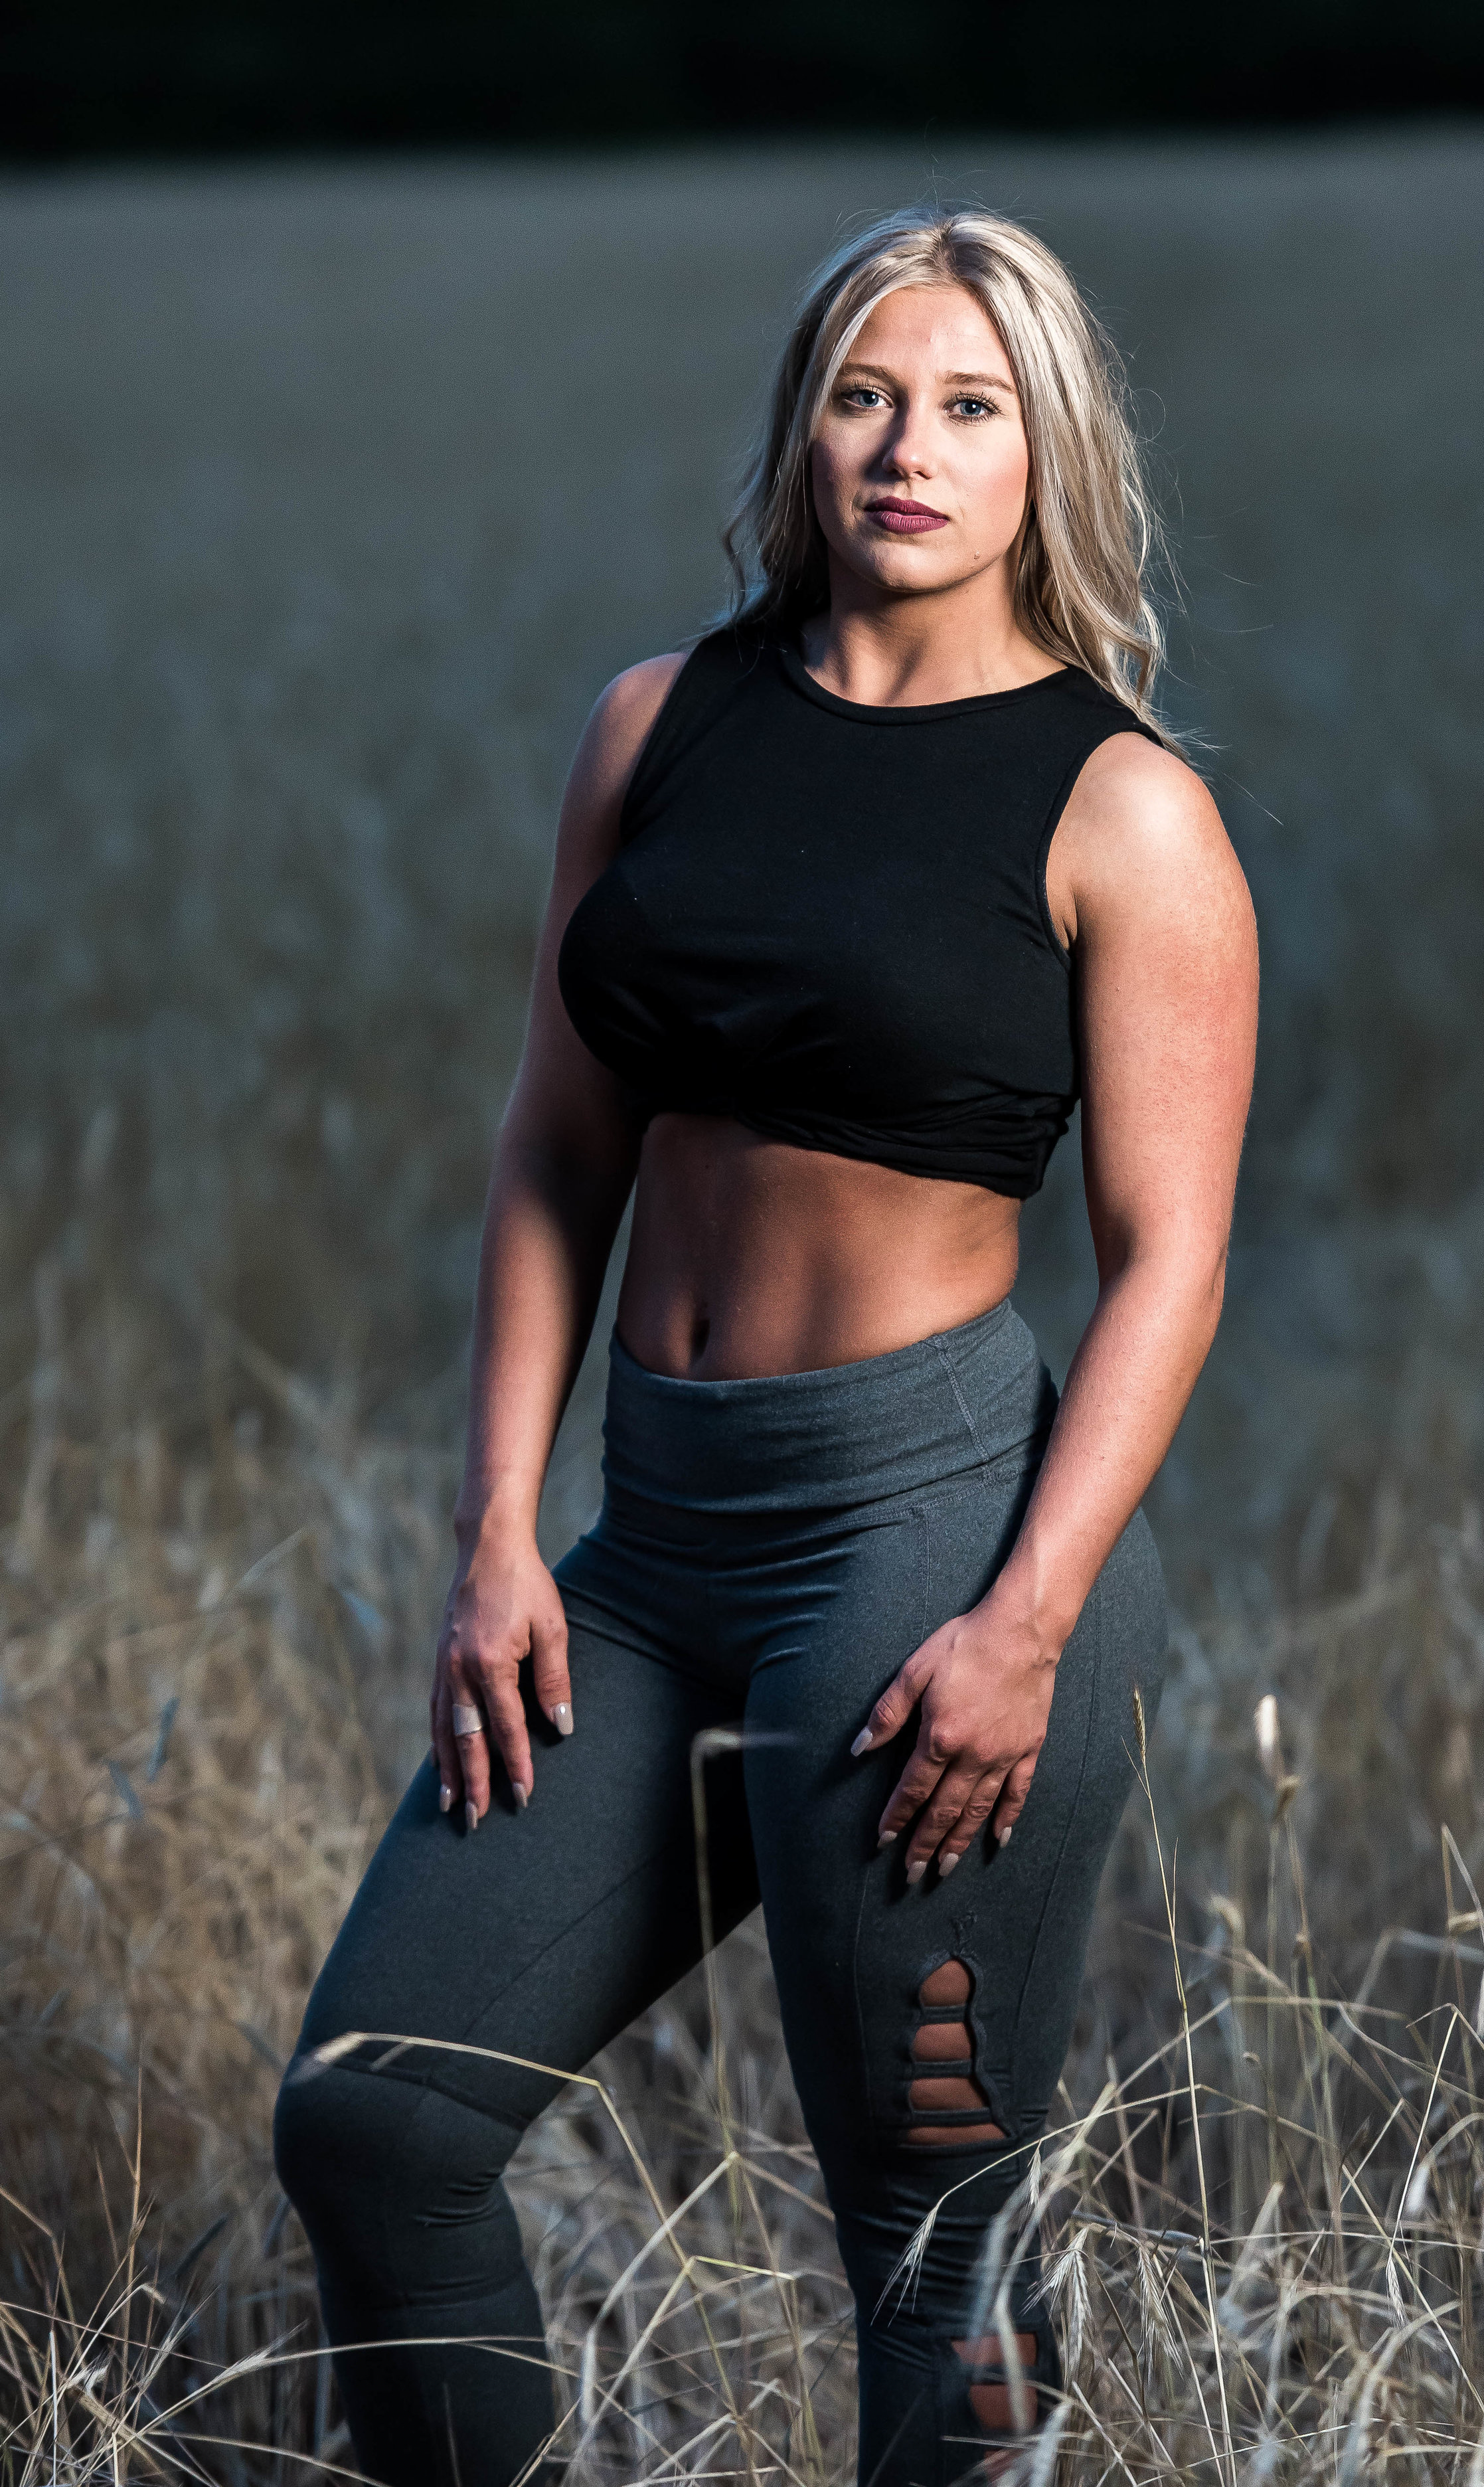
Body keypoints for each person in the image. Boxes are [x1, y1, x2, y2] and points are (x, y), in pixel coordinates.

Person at [274, 203, 1258, 2486]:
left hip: (923, 1556)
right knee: (378, 2126)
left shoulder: (1123, 808)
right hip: (643, 1543)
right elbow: (553, 1149)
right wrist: (497, 1527)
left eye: (969, 407)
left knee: (925, 2257)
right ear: (805, 428)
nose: (906, 448)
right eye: (863, 394)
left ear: (1047, 456)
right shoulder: (660, 722)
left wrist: (1025, 1622)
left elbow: (1169, 1262)